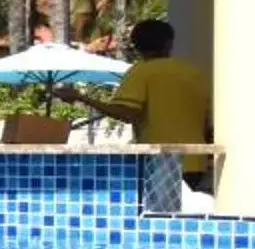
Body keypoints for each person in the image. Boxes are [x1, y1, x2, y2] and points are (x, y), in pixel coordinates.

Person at [88, 19, 212, 158]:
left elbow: (125, 113)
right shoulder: (193, 72)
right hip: (196, 158)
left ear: (136, 46)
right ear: (169, 43)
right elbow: (208, 120)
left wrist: (83, 98)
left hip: (160, 160)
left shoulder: (141, 71)